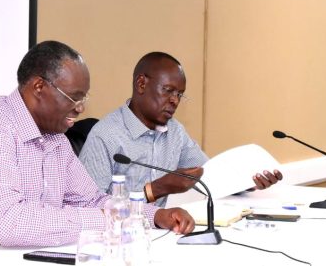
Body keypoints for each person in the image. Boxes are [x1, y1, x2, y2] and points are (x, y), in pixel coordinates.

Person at [0, 41, 194, 260]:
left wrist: (150, 216)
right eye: (74, 97)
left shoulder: (55, 139)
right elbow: (6, 223)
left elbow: (90, 200)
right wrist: (108, 219)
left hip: (8, 261)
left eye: (84, 98)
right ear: (39, 87)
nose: (80, 108)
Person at [79, 52, 283, 206]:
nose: (175, 101)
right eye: (168, 91)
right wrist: (154, 190)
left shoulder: (174, 131)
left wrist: (247, 183)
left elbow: (209, 176)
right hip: (115, 240)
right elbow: (87, 208)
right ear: (141, 84)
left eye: (179, 94)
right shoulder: (105, 136)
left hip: (159, 233)